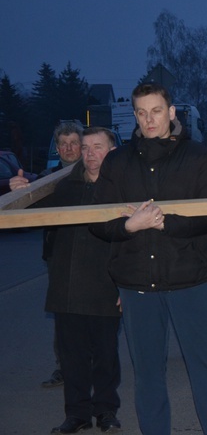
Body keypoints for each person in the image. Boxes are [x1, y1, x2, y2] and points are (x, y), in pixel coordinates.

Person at [92, 82, 207, 435]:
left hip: (190, 280)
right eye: (141, 112)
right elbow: (99, 221)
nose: (148, 119)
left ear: (171, 112)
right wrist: (130, 225)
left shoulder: (199, 156)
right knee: (148, 375)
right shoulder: (118, 161)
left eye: (156, 111)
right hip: (137, 284)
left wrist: (165, 223)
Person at [39, 127, 122, 433]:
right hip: (67, 287)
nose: (88, 154)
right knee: (71, 359)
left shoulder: (122, 187)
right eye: (84, 148)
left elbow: (134, 241)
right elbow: (32, 209)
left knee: (105, 358)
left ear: (112, 151)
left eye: (96, 147)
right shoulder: (64, 186)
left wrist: (124, 285)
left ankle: (106, 412)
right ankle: (77, 415)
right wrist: (21, 190)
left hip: (105, 287)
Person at [9, 120, 85, 389]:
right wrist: (19, 191)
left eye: (73, 142)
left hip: (95, 254)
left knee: (98, 313)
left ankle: (97, 368)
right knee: (63, 313)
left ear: (82, 144)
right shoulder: (45, 180)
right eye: (62, 144)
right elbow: (24, 215)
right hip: (59, 256)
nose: (68, 148)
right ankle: (63, 368)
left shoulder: (100, 174)